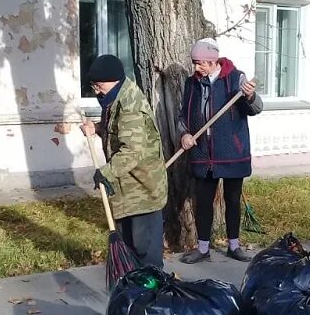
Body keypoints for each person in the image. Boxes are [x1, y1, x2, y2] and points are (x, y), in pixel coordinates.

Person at [177, 37, 263, 264]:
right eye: (195, 62)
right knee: (203, 201)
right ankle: (203, 248)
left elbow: (255, 109)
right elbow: (183, 115)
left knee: (232, 200)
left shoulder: (235, 78)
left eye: (201, 63)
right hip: (203, 153)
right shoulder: (192, 83)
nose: (197, 67)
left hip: (232, 150)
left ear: (212, 60)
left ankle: (234, 246)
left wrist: (250, 96)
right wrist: (184, 133)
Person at [80, 54, 167, 269]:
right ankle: (133, 296)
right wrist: (98, 128)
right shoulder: (115, 97)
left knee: (146, 258)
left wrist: (106, 172)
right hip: (127, 192)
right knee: (129, 254)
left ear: (114, 80)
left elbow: (132, 151)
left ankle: (152, 298)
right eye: (94, 86)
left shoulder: (130, 106)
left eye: (99, 85)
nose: (97, 91)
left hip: (142, 193)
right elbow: (119, 130)